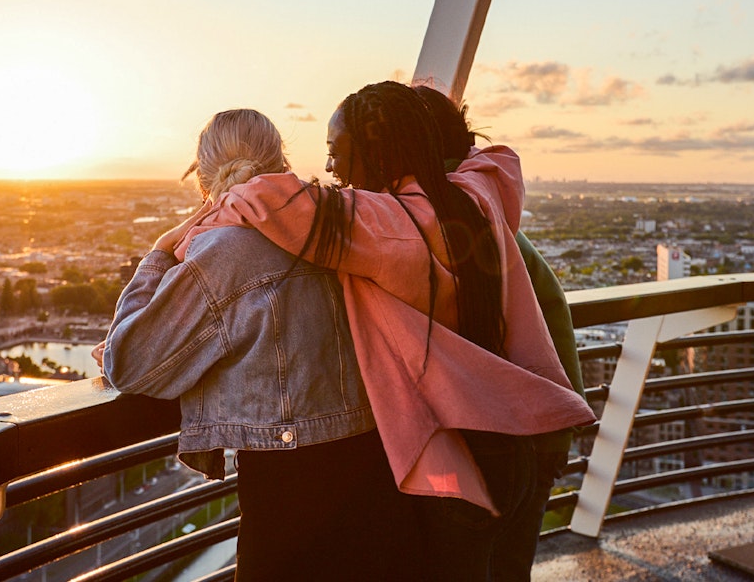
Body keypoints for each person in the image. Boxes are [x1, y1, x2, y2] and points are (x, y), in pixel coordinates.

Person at [174, 82, 596, 581]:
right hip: (524, 434)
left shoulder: (397, 228)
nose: (330, 171)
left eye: (336, 153)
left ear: (380, 154)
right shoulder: (476, 201)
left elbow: (285, 203)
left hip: (469, 446)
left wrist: (183, 234)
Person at [95, 109, 422, 581]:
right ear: (281, 161)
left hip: (288, 492)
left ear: (203, 180)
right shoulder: (335, 221)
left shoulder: (224, 251)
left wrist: (160, 252)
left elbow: (128, 361)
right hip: (376, 465)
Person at [415, 84, 586, 579]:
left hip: (498, 441)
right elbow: (552, 315)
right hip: (527, 437)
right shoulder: (489, 220)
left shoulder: (453, 226)